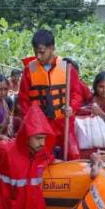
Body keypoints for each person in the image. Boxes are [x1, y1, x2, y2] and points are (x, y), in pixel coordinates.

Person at [18, 29, 84, 161]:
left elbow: (77, 94)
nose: (38, 56)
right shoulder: (29, 70)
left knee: (74, 155)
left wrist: (72, 108)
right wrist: (31, 121)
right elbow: (24, 100)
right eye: (35, 52)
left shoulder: (67, 67)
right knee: (42, 158)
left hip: (64, 123)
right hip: (42, 125)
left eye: (41, 52)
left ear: (52, 48)